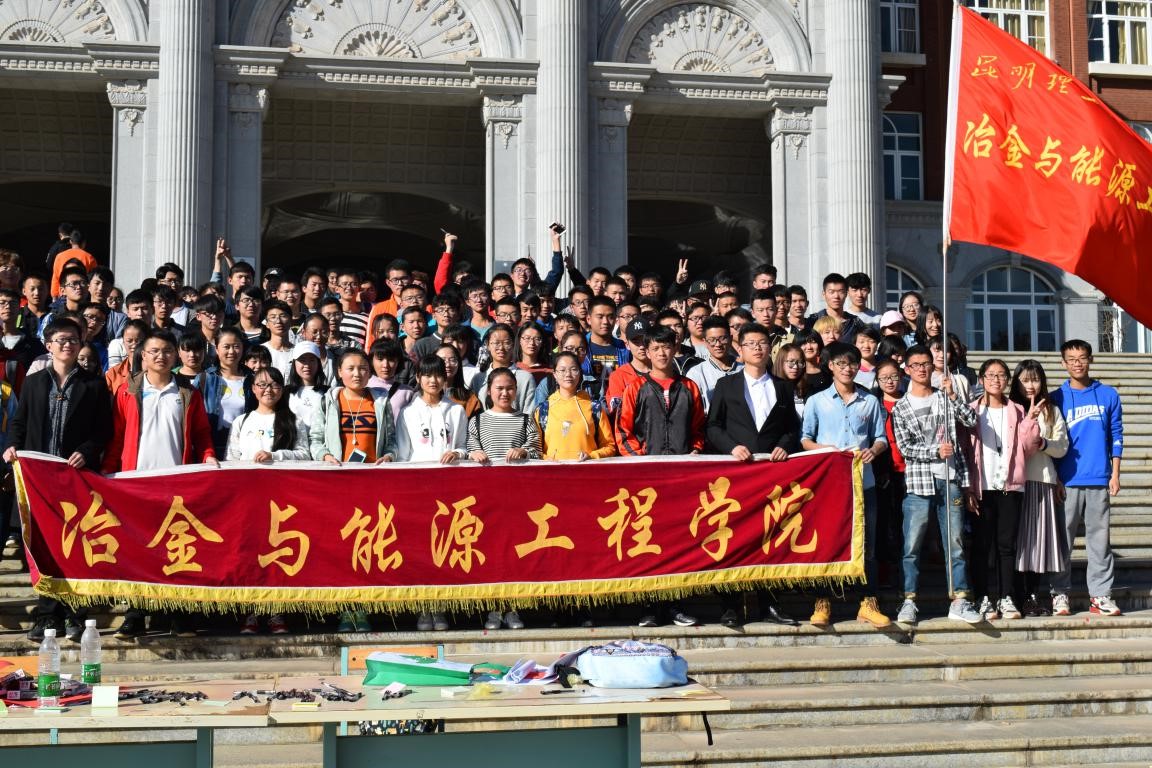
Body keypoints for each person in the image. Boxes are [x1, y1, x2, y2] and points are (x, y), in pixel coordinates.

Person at [104, 329, 218, 639]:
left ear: (176, 355)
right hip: (136, 482)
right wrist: (108, 472)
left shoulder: (188, 392)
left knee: (176, 551)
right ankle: (135, 614)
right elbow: (116, 437)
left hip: (176, 485)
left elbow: (201, 434)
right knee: (137, 550)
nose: (161, 356)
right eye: (154, 351)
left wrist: (208, 456)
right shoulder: (126, 392)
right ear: (142, 355)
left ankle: (178, 614)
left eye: (167, 351)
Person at [5, 318, 112, 642]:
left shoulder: (94, 385)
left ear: (81, 344)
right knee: (43, 549)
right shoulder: (34, 383)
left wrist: (87, 451)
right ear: (48, 345)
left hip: (75, 481)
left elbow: (103, 431)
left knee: (76, 548)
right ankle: (47, 615)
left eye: (73, 340)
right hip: (39, 483)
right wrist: (12, 446)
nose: (68, 345)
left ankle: (76, 615)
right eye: (61, 340)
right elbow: (19, 422)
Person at [705, 322, 801, 628]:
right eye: (751, 344)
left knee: (771, 537)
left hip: (771, 474)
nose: (757, 349)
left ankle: (770, 603)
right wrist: (731, 447)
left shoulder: (783, 387)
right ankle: (730, 605)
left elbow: (791, 429)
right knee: (732, 537)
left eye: (762, 343)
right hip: (737, 473)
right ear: (740, 349)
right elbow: (713, 426)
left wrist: (784, 446)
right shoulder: (726, 385)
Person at [614, 326, 703, 629]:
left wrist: (695, 451)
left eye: (666, 347)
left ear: (675, 349)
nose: (662, 353)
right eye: (655, 348)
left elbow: (698, 428)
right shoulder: (635, 387)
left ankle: (677, 604)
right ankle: (649, 607)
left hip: (680, 478)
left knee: (678, 542)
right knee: (646, 542)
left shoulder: (689, 387)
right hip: (646, 479)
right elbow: (623, 431)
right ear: (647, 352)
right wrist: (641, 460)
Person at [889, 345, 982, 625]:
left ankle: (959, 599)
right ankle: (908, 600)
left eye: (926, 364)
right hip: (918, 482)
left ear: (933, 367)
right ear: (907, 370)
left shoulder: (944, 397)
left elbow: (971, 420)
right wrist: (934, 452)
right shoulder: (901, 407)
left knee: (955, 543)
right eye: (916, 365)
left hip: (950, 478)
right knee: (912, 544)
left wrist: (952, 395)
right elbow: (905, 447)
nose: (922, 369)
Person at [800, 342, 891, 629]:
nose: (847, 369)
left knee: (868, 546)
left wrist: (873, 450)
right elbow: (805, 439)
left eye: (852, 363)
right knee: (826, 542)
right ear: (830, 366)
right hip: (829, 485)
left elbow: (881, 438)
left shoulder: (870, 401)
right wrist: (825, 450)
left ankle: (868, 602)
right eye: (841, 363)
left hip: (864, 483)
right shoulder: (817, 400)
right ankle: (822, 601)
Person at [310, 347, 397, 634]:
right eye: (350, 368)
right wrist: (325, 456)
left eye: (362, 368)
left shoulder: (381, 400)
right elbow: (315, 439)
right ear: (339, 372)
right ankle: (345, 610)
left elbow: (392, 441)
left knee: (368, 547)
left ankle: (364, 609)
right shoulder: (328, 400)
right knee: (343, 549)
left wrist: (389, 456)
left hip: (372, 485)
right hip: (339, 485)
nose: (357, 373)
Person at [227, 366, 311, 635]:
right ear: (253, 389)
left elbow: (305, 455)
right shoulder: (242, 421)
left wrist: (277, 456)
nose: (268, 390)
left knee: (277, 556)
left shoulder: (293, 421)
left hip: (282, 501)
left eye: (274, 384)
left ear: (282, 389)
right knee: (251, 555)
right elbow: (231, 459)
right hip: (248, 499)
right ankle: (251, 612)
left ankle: (276, 612)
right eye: (261, 385)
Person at [1048, 339, 1124, 616]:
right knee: (1062, 542)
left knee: (1100, 542)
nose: (1077, 363)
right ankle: (1059, 593)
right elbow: (1050, 440)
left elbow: (1116, 434)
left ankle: (1100, 595)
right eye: (1071, 359)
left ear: (1090, 360)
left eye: (1082, 358)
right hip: (1066, 481)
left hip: (1098, 478)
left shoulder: (1108, 394)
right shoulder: (1056, 397)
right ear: (1063, 363)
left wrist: (1115, 473)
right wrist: (1055, 478)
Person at [961, 358, 1040, 621]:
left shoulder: (1017, 409)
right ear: (981, 379)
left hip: (1010, 485)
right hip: (980, 487)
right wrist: (967, 489)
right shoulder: (971, 410)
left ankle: (1006, 597)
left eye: (1001, 375)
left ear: (1008, 380)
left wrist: (1031, 422)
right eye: (991, 375)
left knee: (1007, 546)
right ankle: (983, 597)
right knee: (982, 546)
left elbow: (1028, 448)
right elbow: (964, 450)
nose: (996, 380)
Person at [1009, 359, 1069, 616]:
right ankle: (1015, 595)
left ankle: (1031, 595)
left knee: (1036, 543)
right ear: (1016, 382)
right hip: (1014, 483)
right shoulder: (1009, 408)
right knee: (1016, 542)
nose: (1030, 385)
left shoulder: (1051, 410)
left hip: (1042, 481)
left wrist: (1042, 443)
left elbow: (1062, 446)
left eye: (1035, 379)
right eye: (1025, 380)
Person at [535, 351, 616, 461]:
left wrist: (592, 456)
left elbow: (609, 446)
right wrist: (546, 459)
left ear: (580, 373)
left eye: (573, 369)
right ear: (554, 374)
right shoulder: (543, 410)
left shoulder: (594, 408)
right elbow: (534, 449)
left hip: (586, 470)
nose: (568, 374)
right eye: (562, 370)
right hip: (553, 470)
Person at [686, 316, 742, 412]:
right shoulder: (696, 373)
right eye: (712, 340)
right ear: (705, 342)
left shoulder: (744, 370)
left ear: (730, 339)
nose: (718, 344)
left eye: (722, 338)